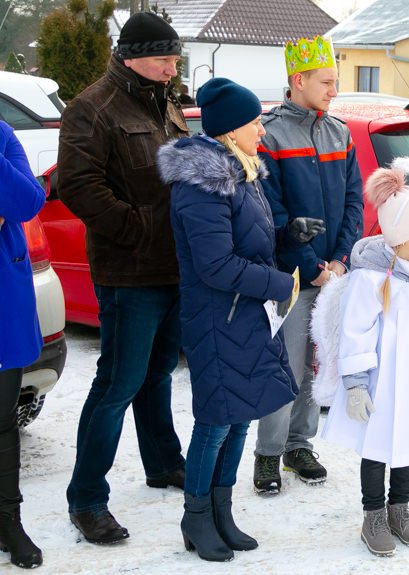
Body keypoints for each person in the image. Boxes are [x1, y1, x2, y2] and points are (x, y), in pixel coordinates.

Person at [158, 77, 323, 562]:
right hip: (216, 320)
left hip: (244, 316)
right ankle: (196, 515)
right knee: (214, 423)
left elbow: (256, 244)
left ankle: (221, 511)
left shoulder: (244, 173)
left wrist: (290, 237)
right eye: (254, 122)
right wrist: (279, 285)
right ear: (230, 129)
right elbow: (214, 265)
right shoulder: (201, 185)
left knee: (238, 420)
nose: (262, 131)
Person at [57, 12, 188, 544]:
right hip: (129, 272)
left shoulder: (166, 101)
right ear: (131, 55)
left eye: (175, 59)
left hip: (175, 266)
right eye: (163, 58)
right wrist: (137, 229)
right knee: (117, 384)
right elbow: (78, 186)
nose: (170, 68)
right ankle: (87, 498)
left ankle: (163, 463)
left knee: (158, 375)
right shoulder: (93, 108)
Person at [317, 160, 409, 557]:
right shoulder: (371, 279)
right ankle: (374, 515)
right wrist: (355, 384)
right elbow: (355, 331)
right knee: (378, 445)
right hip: (382, 380)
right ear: (401, 236)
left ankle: (400, 507)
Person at [253, 36, 363, 493]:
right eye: (327, 81)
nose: (334, 89)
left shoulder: (339, 132)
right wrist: (310, 264)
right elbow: (271, 210)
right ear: (298, 81)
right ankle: (268, 454)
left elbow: (355, 201)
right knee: (286, 365)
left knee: (318, 364)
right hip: (293, 277)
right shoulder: (271, 134)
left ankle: (300, 444)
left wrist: (338, 260)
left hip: (332, 275)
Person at [0, 121, 44, 569]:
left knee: (2, 421)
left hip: (2, 303)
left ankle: (8, 521)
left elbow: (27, 201)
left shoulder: (1, 134)